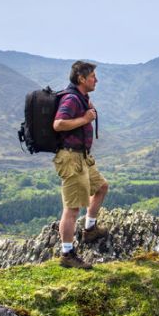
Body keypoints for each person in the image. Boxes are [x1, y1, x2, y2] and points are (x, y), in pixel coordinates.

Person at [52, 60, 109, 269]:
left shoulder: (82, 98)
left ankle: (90, 229)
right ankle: (67, 254)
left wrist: (88, 110)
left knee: (102, 187)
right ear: (81, 79)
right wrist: (84, 119)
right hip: (71, 159)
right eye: (93, 76)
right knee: (72, 209)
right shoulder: (71, 99)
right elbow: (58, 124)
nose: (96, 80)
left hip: (83, 157)